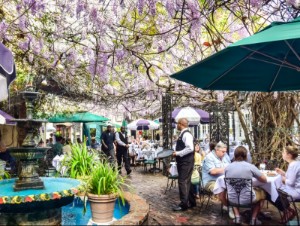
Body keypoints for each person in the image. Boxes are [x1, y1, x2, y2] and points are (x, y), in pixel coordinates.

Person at [223, 146, 267, 225]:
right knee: (262, 194)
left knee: (233, 191)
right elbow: (264, 180)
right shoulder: (250, 167)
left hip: (231, 199)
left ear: (234, 155)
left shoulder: (227, 167)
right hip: (248, 199)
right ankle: (253, 219)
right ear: (246, 156)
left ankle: (237, 217)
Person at [202, 141, 232, 218]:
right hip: (211, 181)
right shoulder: (209, 157)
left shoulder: (225, 156)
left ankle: (230, 206)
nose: (225, 153)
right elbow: (213, 171)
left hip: (225, 179)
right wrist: (226, 168)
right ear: (217, 150)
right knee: (221, 189)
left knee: (236, 186)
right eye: (223, 152)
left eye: (225, 151)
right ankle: (229, 207)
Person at [172, 118, 196, 211]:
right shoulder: (183, 134)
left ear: (180, 124)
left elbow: (190, 148)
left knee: (182, 181)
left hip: (186, 162)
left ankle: (183, 204)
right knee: (187, 181)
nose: (176, 125)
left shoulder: (186, 134)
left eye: (177, 123)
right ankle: (192, 201)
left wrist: (177, 153)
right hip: (185, 161)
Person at [274, 146, 300, 222]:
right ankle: (289, 211)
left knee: (273, 194)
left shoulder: (292, 165)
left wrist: (284, 179)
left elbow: (291, 182)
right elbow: (294, 178)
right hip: (296, 189)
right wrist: (283, 173)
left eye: (283, 152)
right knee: (274, 192)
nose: (282, 154)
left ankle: (288, 212)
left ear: (289, 155)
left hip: (295, 192)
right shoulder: (296, 163)